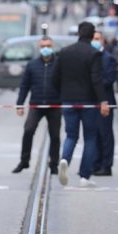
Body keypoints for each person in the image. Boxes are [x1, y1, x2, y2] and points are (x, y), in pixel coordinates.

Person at [52, 21, 110, 188]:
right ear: (93, 36)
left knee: (71, 135)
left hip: (68, 100)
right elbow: (96, 80)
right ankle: (85, 175)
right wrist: (103, 101)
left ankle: (64, 159)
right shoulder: (94, 54)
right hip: (88, 103)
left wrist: (62, 94)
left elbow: (55, 78)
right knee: (90, 137)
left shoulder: (64, 52)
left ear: (78, 33)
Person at [13, 36, 62, 175]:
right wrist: (20, 104)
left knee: (55, 136)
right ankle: (24, 161)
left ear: (52, 47)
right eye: (42, 46)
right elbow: (24, 85)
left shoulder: (59, 64)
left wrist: (65, 102)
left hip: (54, 105)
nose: (45, 48)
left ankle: (54, 164)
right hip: (36, 104)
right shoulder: (32, 65)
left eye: (48, 45)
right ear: (39, 48)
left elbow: (65, 84)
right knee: (28, 130)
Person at [91, 31, 117, 176]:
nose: (95, 41)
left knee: (105, 134)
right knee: (93, 134)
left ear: (103, 41)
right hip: (91, 103)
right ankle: (95, 163)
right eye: (93, 39)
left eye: (97, 39)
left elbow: (109, 79)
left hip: (105, 102)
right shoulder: (89, 57)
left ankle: (106, 165)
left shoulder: (108, 59)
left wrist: (94, 85)